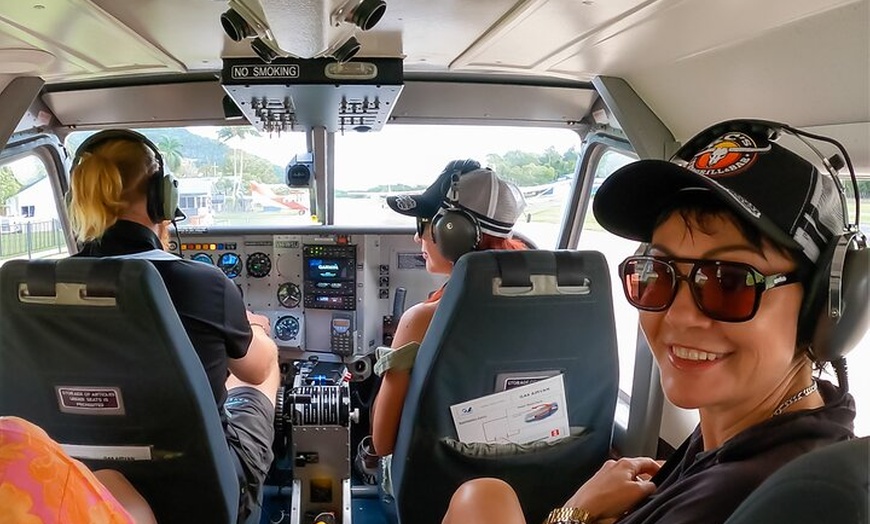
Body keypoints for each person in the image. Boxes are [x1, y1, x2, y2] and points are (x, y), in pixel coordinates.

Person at [440, 120, 859, 524]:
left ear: (823, 306)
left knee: (480, 499)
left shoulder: (744, 492)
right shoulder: (787, 426)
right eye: (657, 273)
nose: (676, 314)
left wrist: (573, 512)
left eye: (728, 282)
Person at [63, 129, 280, 520]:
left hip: (82, 484)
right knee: (255, 376)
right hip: (204, 490)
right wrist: (256, 329)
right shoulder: (202, 282)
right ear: (162, 198)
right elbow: (255, 368)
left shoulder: (37, 290)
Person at [369, 160, 527, 489]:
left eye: (425, 224)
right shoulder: (552, 303)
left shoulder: (422, 320)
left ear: (452, 232)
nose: (416, 237)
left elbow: (383, 441)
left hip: (438, 487)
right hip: (540, 478)